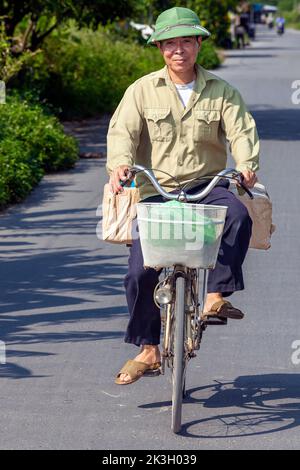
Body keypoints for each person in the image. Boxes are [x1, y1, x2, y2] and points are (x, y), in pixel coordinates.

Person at [106, 7, 259, 385]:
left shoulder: (222, 91)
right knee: (140, 272)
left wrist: (246, 163)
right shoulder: (141, 90)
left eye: (185, 42)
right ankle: (149, 350)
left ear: (199, 44)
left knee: (238, 216)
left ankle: (214, 297)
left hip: (206, 186)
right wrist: (120, 165)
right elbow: (122, 132)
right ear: (159, 47)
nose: (178, 50)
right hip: (156, 192)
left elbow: (241, 131)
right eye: (170, 43)